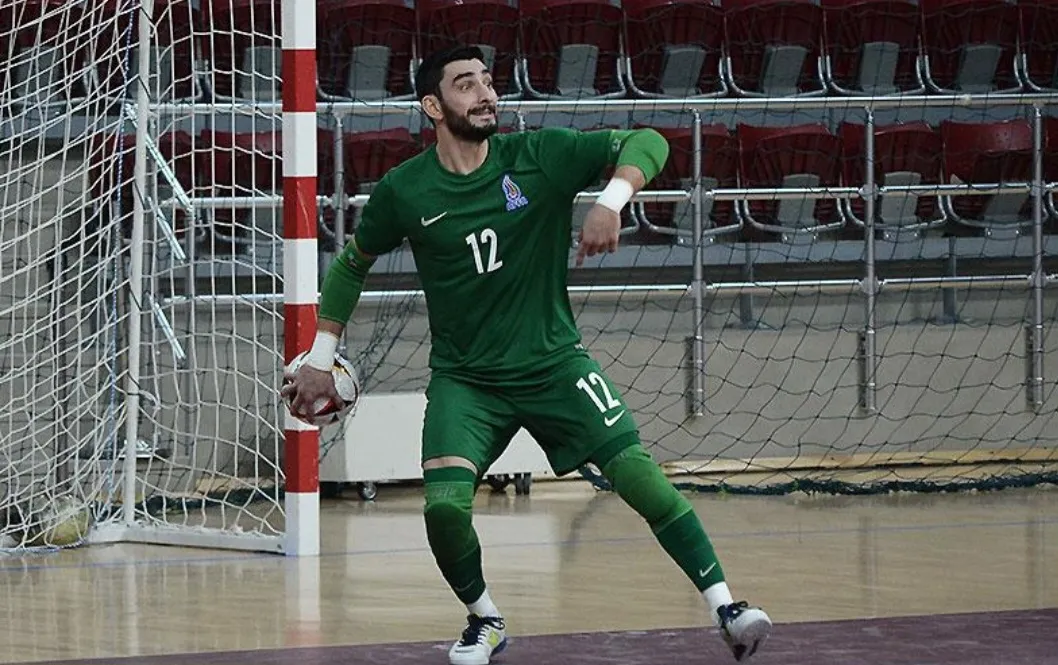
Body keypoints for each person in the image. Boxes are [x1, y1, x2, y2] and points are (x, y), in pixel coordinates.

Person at [281, 45, 772, 665]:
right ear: (433, 106)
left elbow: (646, 140)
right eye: (466, 85)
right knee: (444, 510)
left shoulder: (540, 156)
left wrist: (611, 201)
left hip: (554, 365)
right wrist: (320, 356)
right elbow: (353, 264)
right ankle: (485, 619)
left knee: (640, 477)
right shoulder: (405, 189)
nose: (486, 94)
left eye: (488, 82)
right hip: (467, 381)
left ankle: (727, 608)